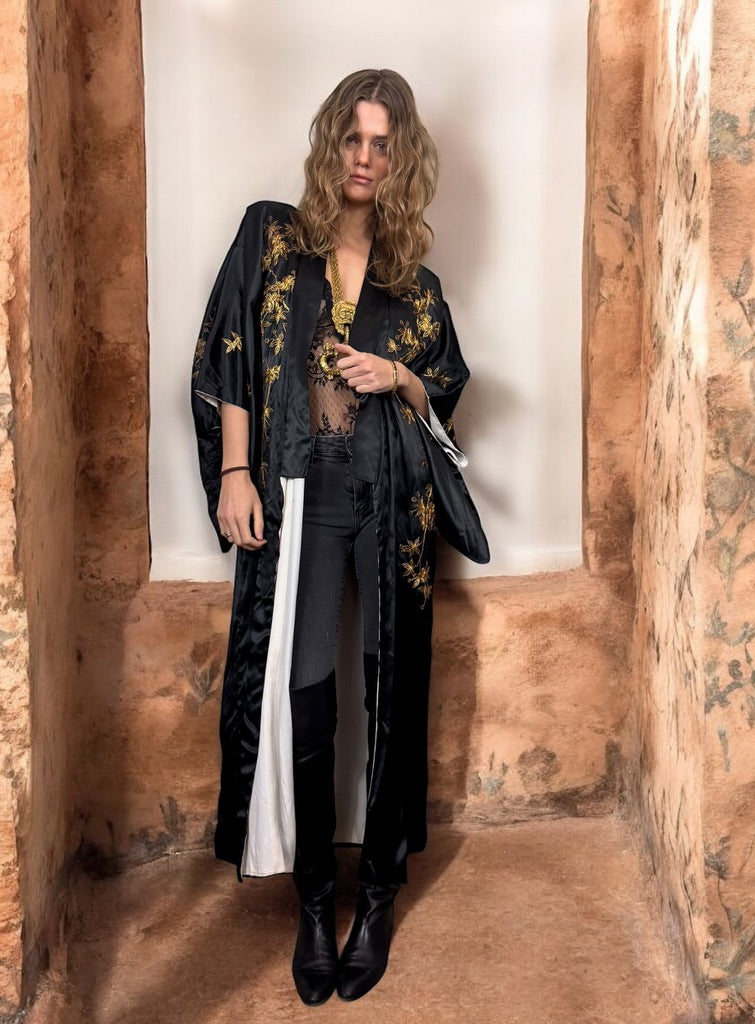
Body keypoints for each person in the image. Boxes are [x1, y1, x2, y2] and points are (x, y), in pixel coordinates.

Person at [192, 68, 488, 1006]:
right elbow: (232, 351)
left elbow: (443, 390)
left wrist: (398, 375)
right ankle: (316, 902)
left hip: (391, 500)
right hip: (303, 497)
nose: (365, 158)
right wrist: (235, 472)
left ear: (403, 159)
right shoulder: (273, 237)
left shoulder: (417, 288)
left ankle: (380, 898)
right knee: (305, 694)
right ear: (332, 144)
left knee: (393, 692)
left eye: (383, 144)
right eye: (353, 139)